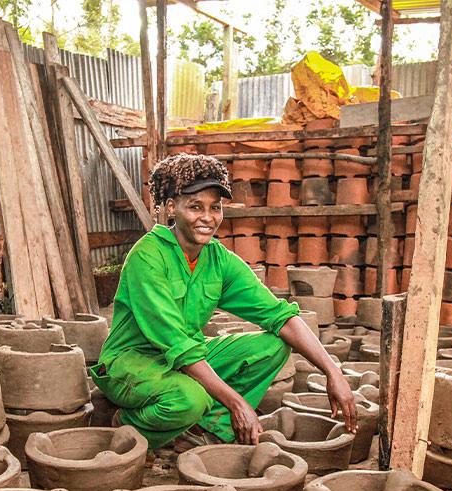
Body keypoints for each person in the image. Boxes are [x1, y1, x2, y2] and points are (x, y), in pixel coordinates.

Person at [90, 153, 357, 451]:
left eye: (215, 208)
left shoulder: (219, 260)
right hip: (131, 363)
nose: (207, 217)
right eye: (195, 207)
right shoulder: (148, 257)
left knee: (274, 345)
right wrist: (236, 401)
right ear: (170, 208)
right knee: (189, 399)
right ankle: (125, 424)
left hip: (183, 361)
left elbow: (280, 316)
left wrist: (333, 372)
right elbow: (177, 343)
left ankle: (203, 429)